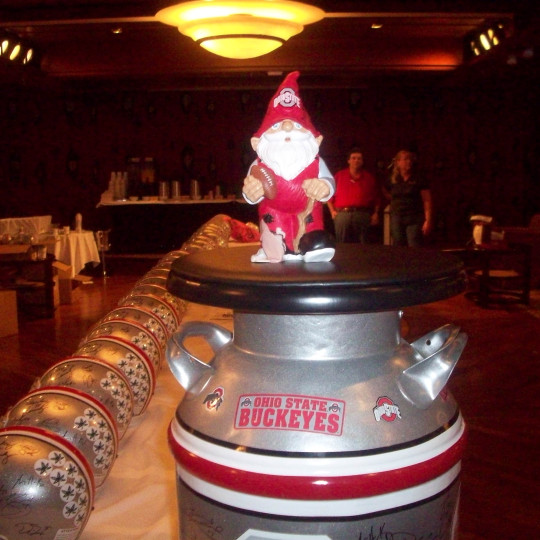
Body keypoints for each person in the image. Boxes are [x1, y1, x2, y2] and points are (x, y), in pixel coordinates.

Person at [242, 71, 336, 263]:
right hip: (273, 214)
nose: (286, 127)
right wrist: (251, 192)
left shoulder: (315, 161)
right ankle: (276, 246)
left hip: (309, 212)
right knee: (274, 236)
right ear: (256, 143)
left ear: (316, 140)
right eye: (276, 126)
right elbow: (250, 186)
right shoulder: (260, 164)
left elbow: (329, 181)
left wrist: (325, 187)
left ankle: (312, 245)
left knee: (313, 234)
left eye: (296, 126)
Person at [327, 148, 380, 243]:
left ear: (362, 161)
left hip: (362, 214)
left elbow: (377, 198)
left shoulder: (369, 178)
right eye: (353, 158)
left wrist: (375, 213)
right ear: (348, 160)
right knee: (342, 244)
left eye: (359, 158)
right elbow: (329, 195)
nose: (356, 160)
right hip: (343, 214)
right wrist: (332, 211)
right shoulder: (339, 176)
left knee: (363, 244)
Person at [384, 149, 433, 247]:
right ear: (398, 162)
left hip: (414, 218)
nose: (409, 161)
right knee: (398, 244)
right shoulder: (393, 179)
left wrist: (428, 220)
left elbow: (427, 200)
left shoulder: (418, 178)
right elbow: (385, 190)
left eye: (410, 159)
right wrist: (394, 201)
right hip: (397, 217)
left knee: (413, 244)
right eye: (405, 159)